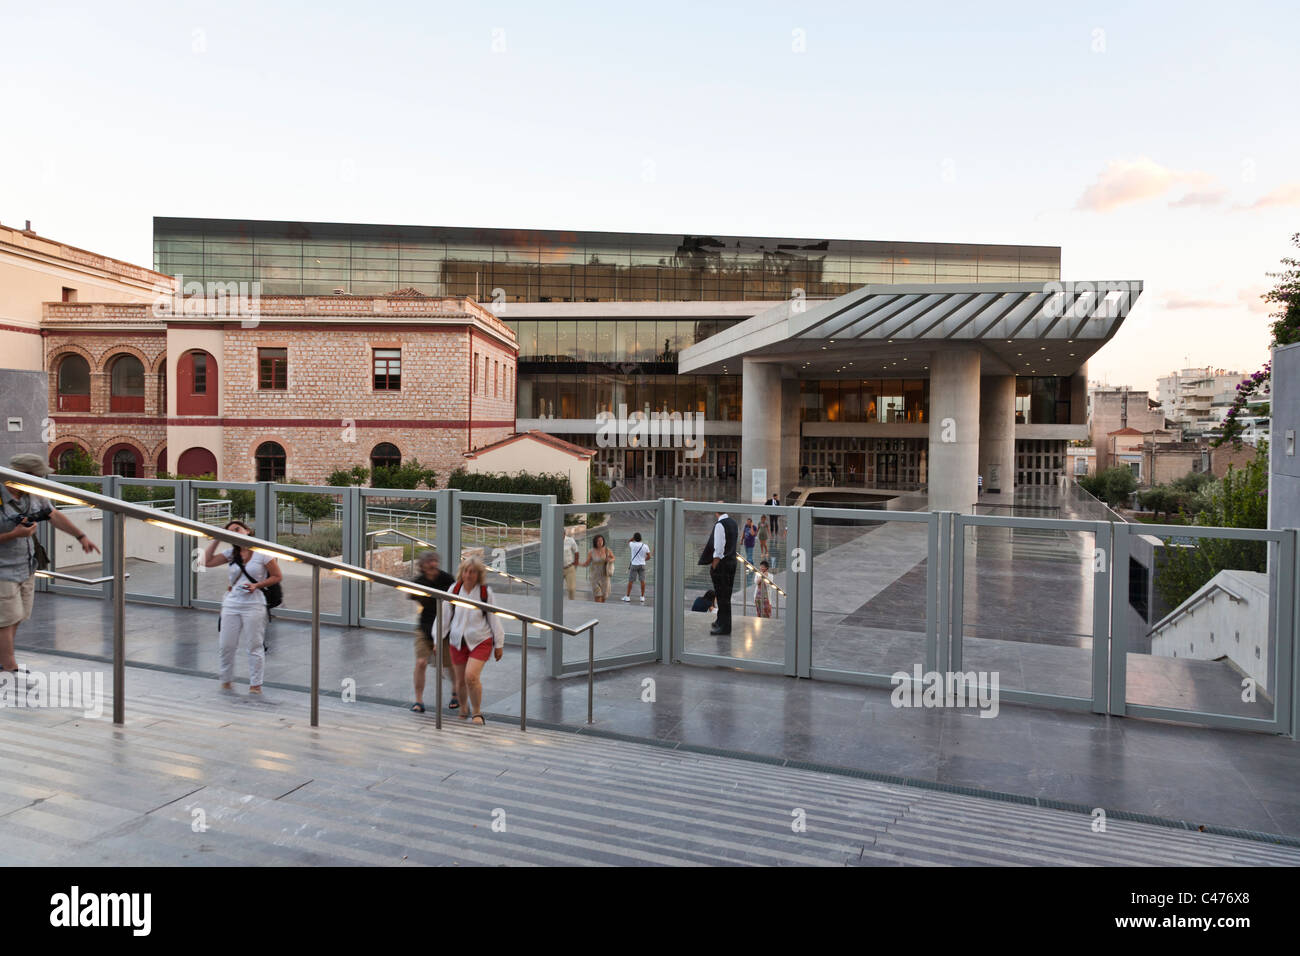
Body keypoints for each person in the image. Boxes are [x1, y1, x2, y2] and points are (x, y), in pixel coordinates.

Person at [0, 454, 99, 674]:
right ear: (24, 475)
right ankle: (9, 667)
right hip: (2, 569)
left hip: (25, 566)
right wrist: (13, 534)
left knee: (18, 615)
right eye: (39, 476)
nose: (42, 480)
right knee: (5, 619)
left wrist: (81, 536)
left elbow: (53, 515)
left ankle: (5, 660)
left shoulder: (33, 495)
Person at [204, 519, 283, 695]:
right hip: (231, 604)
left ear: (247, 530)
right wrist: (216, 538)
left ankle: (255, 685)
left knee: (254, 645)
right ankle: (226, 681)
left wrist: (257, 585)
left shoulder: (262, 553)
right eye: (231, 531)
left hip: (254, 604)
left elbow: (277, 576)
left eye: (238, 529)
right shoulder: (232, 554)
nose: (235, 532)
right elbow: (206, 562)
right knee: (226, 644)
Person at [443, 557, 505, 725]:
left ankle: (477, 712)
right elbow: (444, 616)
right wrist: (437, 639)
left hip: (480, 639)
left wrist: (499, 644)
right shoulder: (453, 590)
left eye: (473, 572)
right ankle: (464, 707)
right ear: (461, 573)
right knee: (460, 680)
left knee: (471, 676)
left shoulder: (485, 593)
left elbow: (494, 618)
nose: (468, 575)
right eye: (466, 571)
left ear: (479, 575)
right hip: (457, 640)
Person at [408, 550, 456, 714]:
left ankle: (455, 694)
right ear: (422, 566)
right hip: (425, 627)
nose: (433, 564)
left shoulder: (447, 579)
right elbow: (412, 596)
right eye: (429, 562)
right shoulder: (419, 581)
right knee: (421, 662)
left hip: (444, 628)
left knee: (450, 665)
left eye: (435, 561)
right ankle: (418, 700)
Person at [698, 504, 737, 636]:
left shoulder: (720, 525)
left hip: (723, 565)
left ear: (716, 512)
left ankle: (725, 627)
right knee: (725, 595)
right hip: (732, 563)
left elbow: (718, 549)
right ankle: (720, 621)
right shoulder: (733, 523)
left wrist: (714, 566)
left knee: (722, 597)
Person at [581, 533, 614, 602]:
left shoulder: (607, 550)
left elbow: (613, 558)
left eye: (601, 540)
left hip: (605, 576)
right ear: (595, 542)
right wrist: (578, 564)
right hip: (595, 576)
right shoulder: (591, 551)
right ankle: (597, 609)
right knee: (598, 595)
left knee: (604, 596)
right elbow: (587, 563)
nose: (600, 542)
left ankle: (600, 611)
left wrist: (610, 560)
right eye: (598, 541)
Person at [622, 532, 651, 604]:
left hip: (634, 565)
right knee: (642, 581)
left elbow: (629, 542)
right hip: (642, 565)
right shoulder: (645, 546)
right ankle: (642, 597)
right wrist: (644, 560)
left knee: (631, 581)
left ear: (634, 538)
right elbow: (649, 556)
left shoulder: (632, 545)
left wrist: (632, 538)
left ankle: (627, 597)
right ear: (641, 538)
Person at [562, 531, 581, 600]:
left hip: (569, 568)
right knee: (555, 589)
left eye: (562, 533)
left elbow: (576, 551)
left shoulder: (570, 540)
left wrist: (576, 562)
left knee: (571, 589)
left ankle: (571, 603)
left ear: (564, 533)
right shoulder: (553, 540)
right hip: (557, 569)